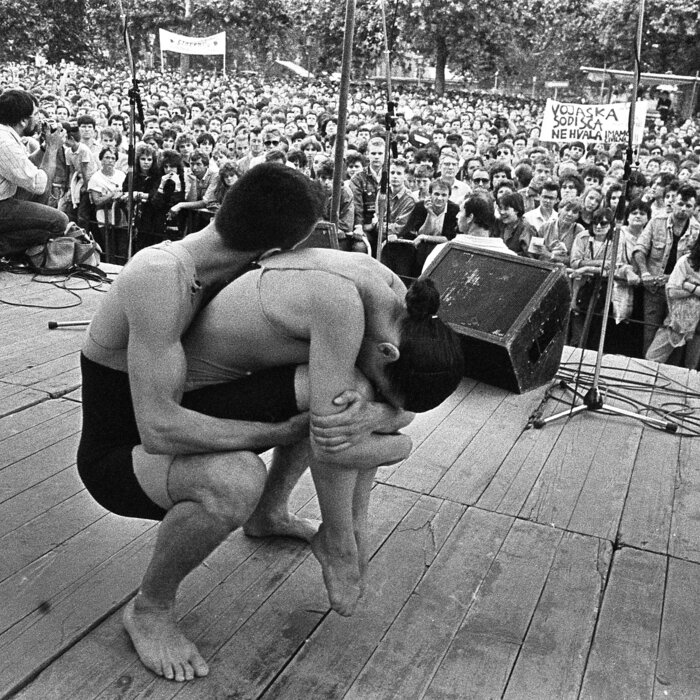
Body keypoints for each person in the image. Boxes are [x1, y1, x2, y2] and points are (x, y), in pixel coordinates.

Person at [77, 164, 407, 682]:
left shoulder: (252, 266)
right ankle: (151, 608)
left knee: (321, 386)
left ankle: (269, 514)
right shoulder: (160, 273)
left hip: (176, 421)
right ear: (292, 241)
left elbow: (345, 378)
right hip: (121, 456)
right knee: (236, 480)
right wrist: (276, 435)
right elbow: (158, 427)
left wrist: (376, 410)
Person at [182, 251, 464, 618]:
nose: (388, 405)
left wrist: (380, 414)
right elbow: (330, 445)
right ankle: (337, 539)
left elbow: (396, 408)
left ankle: (273, 514)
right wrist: (400, 445)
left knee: (352, 400)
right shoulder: (342, 304)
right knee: (349, 398)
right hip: (195, 396)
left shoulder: (399, 305)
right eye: (388, 392)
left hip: (248, 380)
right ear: (387, 353)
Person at [0, 88, 69, 257]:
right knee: (59, 221)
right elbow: (40, 185)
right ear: (23, 121)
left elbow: (25, 169)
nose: (40, 119)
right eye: (36, 114)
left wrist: (44, 148)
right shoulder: (5, 143)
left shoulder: (6, 135)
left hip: (5, 199)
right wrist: (52, 149)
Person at [633, 183, 700, 353]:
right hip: (654, 288)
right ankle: (645, 374)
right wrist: (645, 273)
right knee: (649, 330)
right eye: (680, 203)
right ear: (672, 203)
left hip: (681, 293)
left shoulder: (697, 231)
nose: (683, 209)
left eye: (688, 206)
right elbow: (640, 248)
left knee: (675, 336)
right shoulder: (657, 222)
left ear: (694, 209)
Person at [645, 234, 700, 369]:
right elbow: (672, 292)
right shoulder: (685, 261)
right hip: (680, 318)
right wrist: (695, 292)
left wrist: (689, 285)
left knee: (692, 365)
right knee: (652, 358)